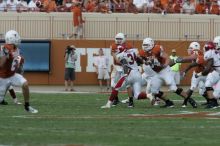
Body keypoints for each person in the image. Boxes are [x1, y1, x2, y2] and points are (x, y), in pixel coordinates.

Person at [139, 37, 197, 108]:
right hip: (156, 73)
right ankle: (169, 102)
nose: (145, 47)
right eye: (144, 45)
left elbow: (167, 57)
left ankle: (190, 100)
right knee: (154, 91)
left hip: (165, 70)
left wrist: (166, 64)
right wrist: (146, 62)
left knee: (173, 88)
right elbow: (143, 60)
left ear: (151, 44)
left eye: (146, 45)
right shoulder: (142, 52)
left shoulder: (157, 49)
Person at [0, 30, 38, 113]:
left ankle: (27, 106)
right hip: (2, 77)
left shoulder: (17, 49)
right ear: (11, 39)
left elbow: (15, 65)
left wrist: (19, 63)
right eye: (16, 37)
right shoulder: (4, 49)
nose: (18, 39)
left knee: (25, 84)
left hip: (12, 75)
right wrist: (5, 56)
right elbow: (1, 65)